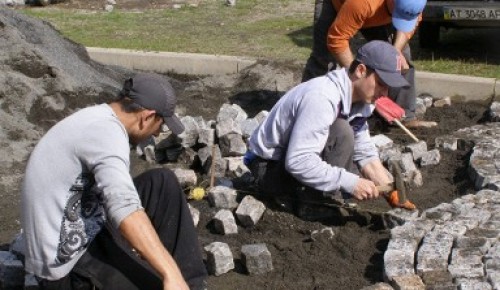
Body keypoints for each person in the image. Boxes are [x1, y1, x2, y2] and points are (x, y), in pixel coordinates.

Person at [20, 73, 207, 290]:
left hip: (87, 223)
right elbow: (124, 208)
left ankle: (190, 285)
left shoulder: (98, 117)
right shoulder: (105, 134)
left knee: (161, 182)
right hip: (66, 264)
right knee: (157, 283)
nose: (157, 134)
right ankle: (175, 281)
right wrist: (169, 273)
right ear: (146, 117)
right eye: (160, 125)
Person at [245, 41, 406, 220]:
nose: (385, 93)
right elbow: (298, 161)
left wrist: (391, 191)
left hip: (289, 162)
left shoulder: (361, 100)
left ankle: (321, 197)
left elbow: (365, 153)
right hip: (269, 168)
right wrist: (351, 183)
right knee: (343, 131)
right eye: (381, 83)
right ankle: (312, 203)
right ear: (361, 70)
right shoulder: (322, 98)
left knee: (345, 135)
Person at [302, 0, 437, 128]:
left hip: (377, 12)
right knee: (323, 58)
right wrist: (357, 77)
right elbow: (337, 39)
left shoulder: (415, 4)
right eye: (399, 13)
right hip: (336, 4)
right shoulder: (364, 3)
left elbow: (409, 24)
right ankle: (306, 109)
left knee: (401, 58)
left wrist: (395, 51)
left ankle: (404, 116)